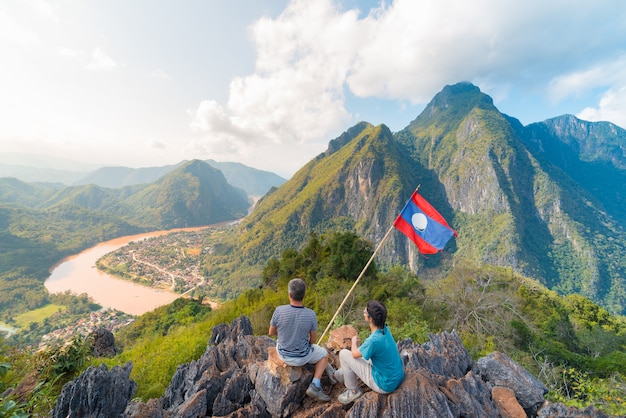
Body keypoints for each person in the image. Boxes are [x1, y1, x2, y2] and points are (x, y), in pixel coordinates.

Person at [268, 278, 336, 402]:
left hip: (283, 355)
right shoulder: (311, 314)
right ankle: (315, 384)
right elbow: (313, 339)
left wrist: (285, 333)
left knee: (281, 342)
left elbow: (271, 332)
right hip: (302, 358)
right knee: (324, 355)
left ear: (289, 294)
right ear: (303, 295)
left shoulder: (279, 310)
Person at [327, 300, 405, 404]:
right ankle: (338, 375)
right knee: (362, 356)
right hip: (396, 376)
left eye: (365, 312)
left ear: (370, 319)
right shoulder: (385, 330)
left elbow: (354, 354)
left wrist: (354, 341)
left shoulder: (373, 341)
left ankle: (353, 391)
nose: (363, 312)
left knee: (344, 354)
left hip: (384, 384)